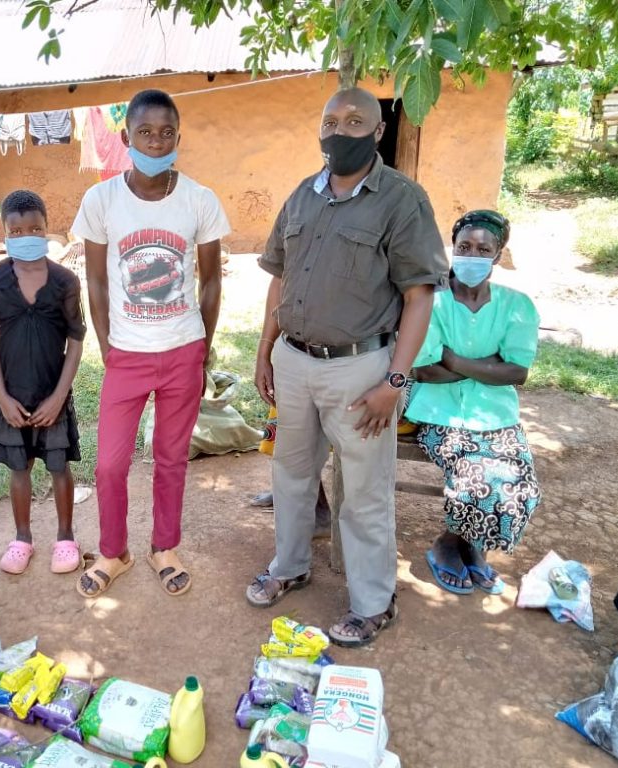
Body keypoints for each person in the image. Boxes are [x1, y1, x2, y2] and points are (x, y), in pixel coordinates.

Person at [246, 87, 449, 647]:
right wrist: (266, 348)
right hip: (294, 361)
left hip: (360, 372)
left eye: (355, 120)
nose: (340, 130)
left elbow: (420, 297)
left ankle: (373, 603)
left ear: (378, 130)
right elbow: (279, 279)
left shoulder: (401, 201)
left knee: (363, 492)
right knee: (290, 476)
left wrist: (395, 382)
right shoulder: (302, 196)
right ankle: (290, 566)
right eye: (331, 120)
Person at [71, 89, 230, 597]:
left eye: (166, 133)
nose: (156, 142)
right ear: (126, 138)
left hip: (183, 349)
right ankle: (114, 552)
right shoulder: (101, 200)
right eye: (145, 133)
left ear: (178, 139)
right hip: (127, 354)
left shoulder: (199, 200)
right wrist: (107, 343)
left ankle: (165, 546)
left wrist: (201, 347)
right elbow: (94, 281)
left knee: (170, 456)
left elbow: (210, 282)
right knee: (110, 464)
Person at [406, 210, 541, 595]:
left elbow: (517, 372)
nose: (472, 254)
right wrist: (488, 366)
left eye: (484, 248)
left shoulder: (516, 305)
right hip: (438, 412)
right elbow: (424, 371)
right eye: (465, 246)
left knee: (521, 483)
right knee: (477, 473)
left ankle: (469, 545)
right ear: (453, 247)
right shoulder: (430, 301)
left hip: (497, 416)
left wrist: (453, 359)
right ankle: (448, 545)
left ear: (498, 255)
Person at [0, 190, 86, 576]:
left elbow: (76, 339)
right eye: (17, 229)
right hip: (12, 396)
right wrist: (1, 395)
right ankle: (22, 538)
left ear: (47, 229)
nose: (27, 234)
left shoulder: (65, 281)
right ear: (5, 233)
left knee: (59, 466)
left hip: (50, 393)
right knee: (19, 467)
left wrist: (59, 396)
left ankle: (65, 537)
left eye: (35, 228)